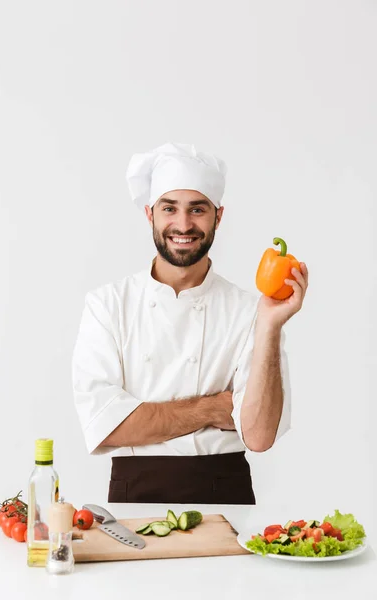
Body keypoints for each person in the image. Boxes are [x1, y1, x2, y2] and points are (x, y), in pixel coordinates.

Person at [72, 142, 308, 504]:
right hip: (134, 492)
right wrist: (214, 408)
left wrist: (271, 325)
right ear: (150, 214)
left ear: (218, 216)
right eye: (170, 209)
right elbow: (106, 426)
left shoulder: (251, 311)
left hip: (225, 489)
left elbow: (258, 436)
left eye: (197, 209)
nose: (183, 225)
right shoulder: (107, 306)